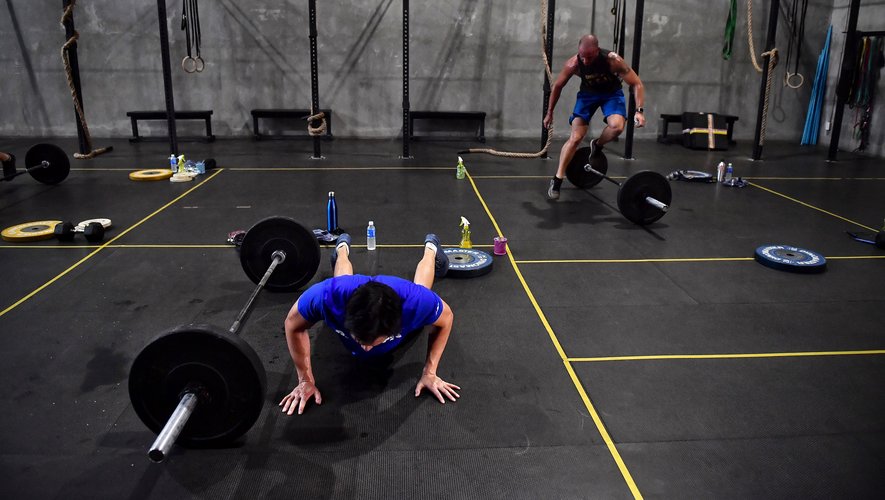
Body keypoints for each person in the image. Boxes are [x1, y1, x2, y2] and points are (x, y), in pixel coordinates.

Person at [279, 233, 459, 415]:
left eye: (374, 342)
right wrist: (305, 380)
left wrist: (430, 372)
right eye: (360, 340)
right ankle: (341, 249)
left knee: (423, 288)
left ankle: (430, 248)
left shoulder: (415, 302)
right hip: (345, 290)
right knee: (341, 281)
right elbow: (293, 325)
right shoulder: (327, 295)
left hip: (404, 295)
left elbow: (447, 318)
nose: (366, 349)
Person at [544, 34, 647, 200]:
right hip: (587, 95)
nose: (585, 61)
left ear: (597, 51)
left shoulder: (613, 61)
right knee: (576, 137)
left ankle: (597, 146)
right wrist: (549, 112)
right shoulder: (574, 63)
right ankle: (557, 179)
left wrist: (639, 110)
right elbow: (557, 86)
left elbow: (636, 83)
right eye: (582, 56)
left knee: (617, 127)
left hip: (611, 94)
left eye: (589, 57)